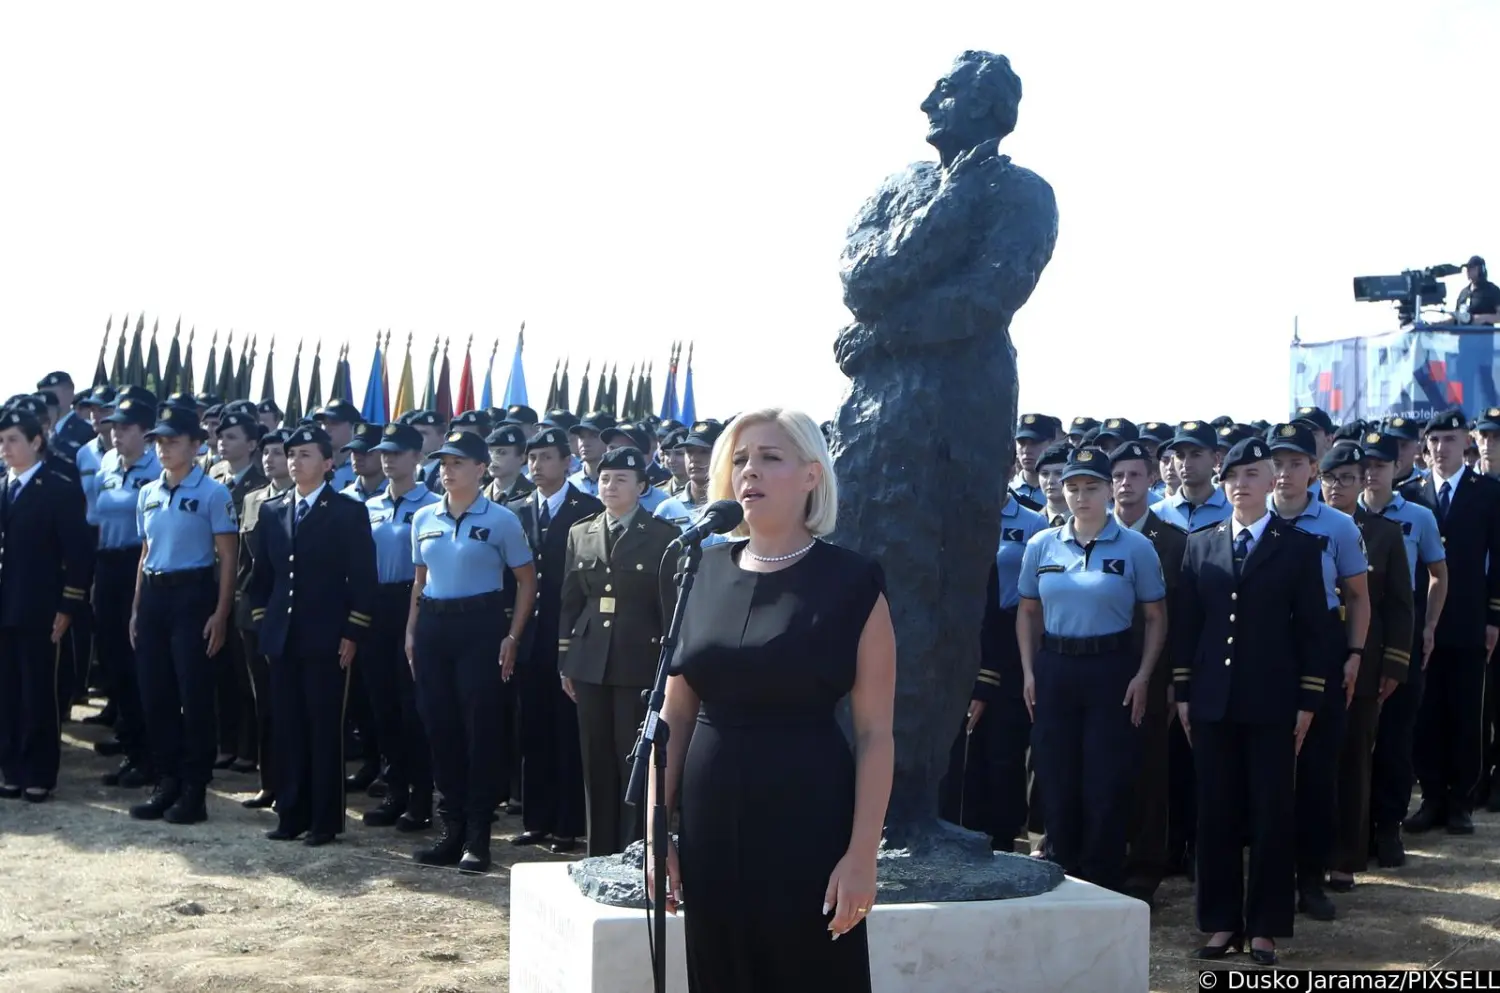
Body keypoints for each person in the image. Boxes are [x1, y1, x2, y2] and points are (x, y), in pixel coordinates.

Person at [647, 408, 894, 992]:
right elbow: (674, 714)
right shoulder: (697, 570)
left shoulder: (853, 581)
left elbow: (875, 733)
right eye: (739, 460)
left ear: (812, 475)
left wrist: (862, 857)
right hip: (711, 823)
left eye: (769, 458)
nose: (749, 472)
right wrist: (660, 835)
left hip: (807, 819)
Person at [1175, 436, 1327, 967]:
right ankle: (1220, 923)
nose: (1242, 484)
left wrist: (1309, 699)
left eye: (1252, 474)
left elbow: (1314, 630)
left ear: (1271, 482)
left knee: (1270, 813)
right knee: (1215, 814)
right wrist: (1183, 693)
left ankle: (1264, 927)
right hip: (1213, 700)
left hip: (1272, 702)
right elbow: (1188, 626)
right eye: (1233, 475)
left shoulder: (1300, 546)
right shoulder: (1199, 543)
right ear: (1224, 483)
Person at [1016, 446, 1165, 893]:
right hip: (1055, 667)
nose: (1081, 497)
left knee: (1105, 776)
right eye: (1073, 487)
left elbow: (1156, 617)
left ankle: (1101, 878)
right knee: (1056, 772)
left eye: (1091, 487)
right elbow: (1027, 611)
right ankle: (1063, 872)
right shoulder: (1042, 543)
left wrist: (1143, 675)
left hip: (1111, 668)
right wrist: (1028, 670)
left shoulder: (1136, 547)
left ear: (1107, 490)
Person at [407, 430, 536, 871]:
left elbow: (526, 581)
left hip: (481, 627)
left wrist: (512, 636)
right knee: (439, 726)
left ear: (481, 469)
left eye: (458, 463)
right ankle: (452, 827)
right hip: (434, 627)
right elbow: (419, 582)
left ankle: (478, 836)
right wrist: (411, 631)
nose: (448, 470)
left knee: (481, 729)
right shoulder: (424, 517)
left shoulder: (501, 519)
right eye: (444, 463)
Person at [247, 425, 377, 847]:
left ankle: (324, 819)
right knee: (288, 726)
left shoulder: (346, 510)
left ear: (327, 463)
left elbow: (361, 577)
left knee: (324, 728)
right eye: (292, 454)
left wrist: (353, 630)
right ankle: (291, 812)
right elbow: (262, 576)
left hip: (327, 637)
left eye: (305, 454)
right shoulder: (272, 510)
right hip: (283, 638)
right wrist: (265, 621)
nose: (295, 462)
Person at [1267, 421, 1368, 923]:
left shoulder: (1338, 526)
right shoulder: (1250, 521)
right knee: (1267, 773)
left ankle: (1311, 879)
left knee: (1316, 770)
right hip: (1264, 651)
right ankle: (1269, 879)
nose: (1285, 474)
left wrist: (1353, 654)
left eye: (1295, 464)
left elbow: (1357, 596)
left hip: (1322, 648)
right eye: (1277, 463)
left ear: (1313, 469)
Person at [559, 446, 678, 856]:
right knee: (595, 759)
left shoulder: (663, 536)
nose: (610, 486)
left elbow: (668, 607)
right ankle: (599, 850)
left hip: (638, 661)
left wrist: (668, 668)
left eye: (621, 479)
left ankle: (632, 848)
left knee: (633, 759)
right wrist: (565, 659)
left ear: (642, 487)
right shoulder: (581, 532)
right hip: (590, 660)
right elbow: (570, 600)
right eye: (605, 478)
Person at [129, 405, 238, 824]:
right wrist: (137, 608)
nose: (164, 449)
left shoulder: (212, 492)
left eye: (173, 441)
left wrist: (221, 613)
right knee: (155, 693)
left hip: (193, 594)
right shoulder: (148, 492)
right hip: (156, 594)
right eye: (159, 441)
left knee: (193, 697)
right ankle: (167, 781)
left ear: (196, 445)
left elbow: (227, 557)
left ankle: (194, 788)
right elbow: (145, 552)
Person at [1316, 441, 1412, 893]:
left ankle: (1345, 858)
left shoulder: (1384, 533)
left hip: (1366, 663)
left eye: (1349, 478)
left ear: (1362, 482)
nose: (1339, 486)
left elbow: (1399, 605)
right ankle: (1306, 854)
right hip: (1310, 659)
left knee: (1354, 761)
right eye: (1331, 478)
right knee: (1307, 763)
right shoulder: (1299, 528)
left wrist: (1393, 663)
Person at [939, 463, 1046, 852]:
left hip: (1010, 636)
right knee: (956, 749)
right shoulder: (953, 518)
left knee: (1003, 744)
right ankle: (956, 828)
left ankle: (1001, 838)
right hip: (958, 637)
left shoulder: (1033, 524)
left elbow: (1031, 599)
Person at [1404, 409, 1500, 837]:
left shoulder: (1488, 493)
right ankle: (1431, 797)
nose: (1441, 448)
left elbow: (1498, 561)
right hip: (1421, 622)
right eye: (1435, 440)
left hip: (1467, 619)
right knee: (1425, 713)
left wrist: (1494, 616)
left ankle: (1461, 799)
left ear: (1466, 443)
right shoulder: (1411, 493)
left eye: (1450, 439)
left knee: (1465, 712)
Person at [508, 426, 601, 853]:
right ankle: (536, 819)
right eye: (532, 457)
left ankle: (568, 823)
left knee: (567, 732)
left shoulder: (588, 509)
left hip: (569, 638)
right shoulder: (515, 509)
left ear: (567, 462)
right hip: (527, 637)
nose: (537, 465)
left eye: (547, 457)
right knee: (532, 730)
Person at [1360, 428, 1448, 865]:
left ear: (1396, 468)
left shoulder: (1418, 516)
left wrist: (1429, 625)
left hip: (1399, 631)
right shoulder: (1341, 515)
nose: (1372, 473)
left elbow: (1437, 573)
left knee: (1395, 737)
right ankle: (1354, 827)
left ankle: (1387, 827)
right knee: (1355, 741)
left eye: (1380, 465)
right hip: (1352, 638)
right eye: (1366, 466)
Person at [0, 406, 92, 802]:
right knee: (7, 692)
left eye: (13, 440)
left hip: (39, 606)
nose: (5, 448)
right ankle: (10, 768)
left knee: (38, 691)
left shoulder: (58, 487)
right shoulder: (3, 486)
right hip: (4, 604)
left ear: (36, 442)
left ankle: (38, 771)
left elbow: (79, 553)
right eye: (1, 441)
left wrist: (68, 605)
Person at [1109, 439, 1187, 906]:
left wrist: (1179, 679)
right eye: (1117, 476)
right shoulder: (1082, 534)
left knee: (1149, 773)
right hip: (1101, 669)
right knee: (1104, 768)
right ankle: (1105, 857)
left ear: (1152, 479)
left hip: (1154, 672)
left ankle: (1144, 868)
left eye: (1134, 475)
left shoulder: (1174, 541)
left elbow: (1183, 616)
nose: (1124, 485)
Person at [360, 423, 442, 831]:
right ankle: (395, 791)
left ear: (417, 457)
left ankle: (421, 798)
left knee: (414, 707)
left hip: (415, 604)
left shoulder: (432, 505)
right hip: (376, 605)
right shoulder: (371, 506)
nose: (388, 459)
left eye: (397, 452)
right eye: (384, 452)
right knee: (382, 704)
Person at [91, 397, 162, 787]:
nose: (116, 433)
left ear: (144, 432)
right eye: (113, 426)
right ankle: (131, 747)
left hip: (138, 563)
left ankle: (149, 756)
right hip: (108, 565)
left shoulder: (156, 469)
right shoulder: (106, 465)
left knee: (139, 666)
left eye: (125, 427)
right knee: (115, 661)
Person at [236, 427, 295, 811]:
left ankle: (292, 781)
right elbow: (246, 564)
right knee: (264, 703)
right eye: (267, 452)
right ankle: (269, 781)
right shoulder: (253, 499)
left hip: (293, 615)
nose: (271, 459)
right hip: (255, 616)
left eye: (280, 452)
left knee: (291, 702)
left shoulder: (300, 501)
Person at [207, 410, 267, 774]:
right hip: (209, 585)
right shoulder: (212, 477)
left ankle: (248, 747)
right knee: (216, 672)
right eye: (221, 435)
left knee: (244, 674)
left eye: (232, 437)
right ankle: (223, 742)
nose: (222, 442)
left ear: (251, 444)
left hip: (244, 587)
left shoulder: (259, 484)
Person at [1151, 421, 1230, 532]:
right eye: (1180, 455)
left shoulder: (1234, 513)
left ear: (1216, 459)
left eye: (1196, 455)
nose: (1186, 463)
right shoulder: (1156, 514)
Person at [312, 401, 362, 491]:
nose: (326, 429)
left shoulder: (362, 466)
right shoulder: (315, 465)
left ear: (354, 428)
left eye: (334, 423)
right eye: (324, 423)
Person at [483, 423, 536, 503]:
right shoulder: (477, 495)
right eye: (490, 452)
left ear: (521, 458)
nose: (492, 458)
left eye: (501, 452)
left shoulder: (534, 495)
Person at [567, 411, 614, 496]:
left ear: (609, 440)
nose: (585, 443)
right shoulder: (570, 485)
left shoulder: (617, 485)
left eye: (594, 436)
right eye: (581, 437)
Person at [341, 422, 387, 502]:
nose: (357, 458)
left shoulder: (397, 494)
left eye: (365, 452)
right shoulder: (344, 497)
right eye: (354, 451)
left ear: (383, 454)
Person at [1450, 256, 1500, 326]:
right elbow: (1456, 318)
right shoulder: (1464, 293)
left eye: (1471, 268)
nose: (1468, 271)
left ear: (1480, 270)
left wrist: (1481, 318)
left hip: (1484, 335)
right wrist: (1437, 324)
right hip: (1463, 335)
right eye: (1467, 268)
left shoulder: (1492, 290)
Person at [1035, 443, 1070, 526]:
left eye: (1059, 473)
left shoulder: (1091, 522)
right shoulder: (1032, 522)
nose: (1050, 481)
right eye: (1045, 474)